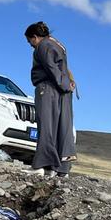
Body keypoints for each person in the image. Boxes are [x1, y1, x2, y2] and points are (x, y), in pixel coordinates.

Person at [24, 21, 76, 177]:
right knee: (62, 127)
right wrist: (67, 85)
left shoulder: (43, 46)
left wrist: (63, 84)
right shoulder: (58, 44)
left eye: (29, 41)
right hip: (62, 90)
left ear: (35, 37)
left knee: (46, 126)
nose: (30, 45)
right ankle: (60, 168)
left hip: (48, 88)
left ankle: (42, 165)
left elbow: (51, 67)